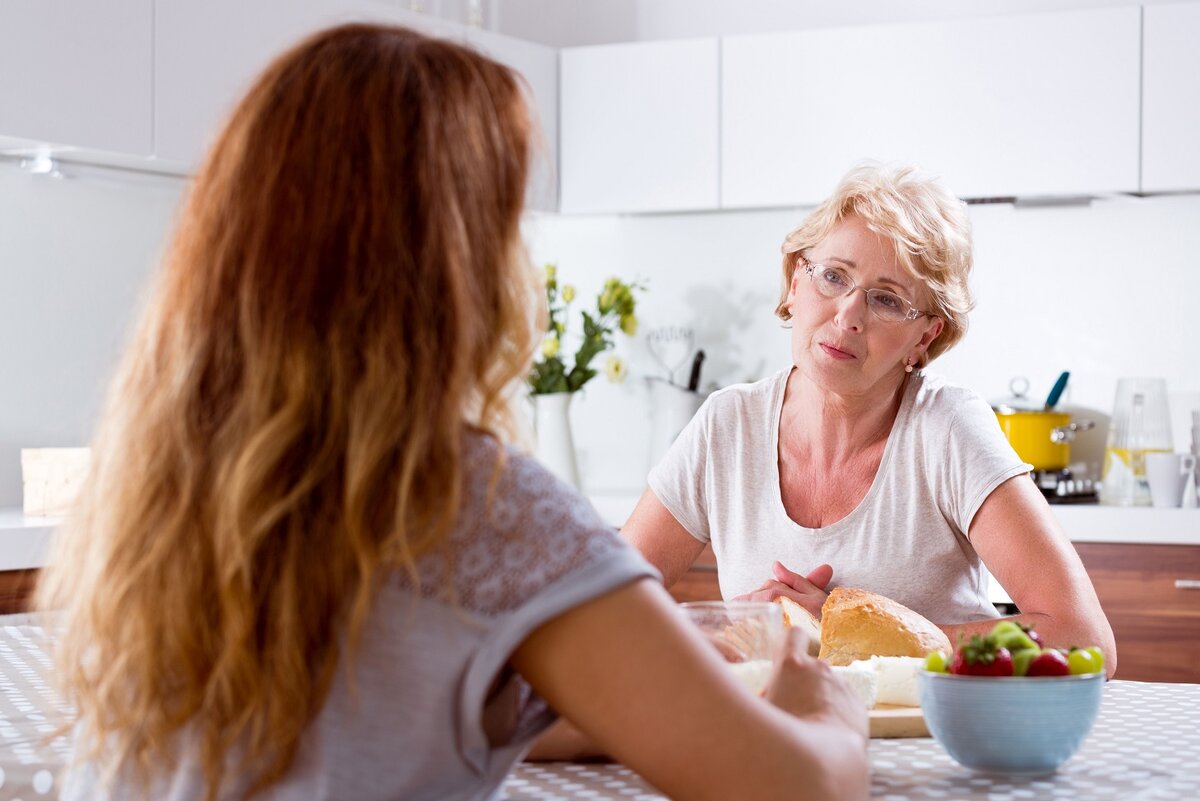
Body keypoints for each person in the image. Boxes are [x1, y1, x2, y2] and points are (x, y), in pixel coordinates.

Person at [36, 23, 869, 801]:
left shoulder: (159, 480)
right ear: (449, 267)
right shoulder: (474, 503)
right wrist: (824, 705)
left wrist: (662, 684)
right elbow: (796, 785)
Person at [623, 163, 1116, 675]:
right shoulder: (728, 424)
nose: (848, 315)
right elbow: (605, 601)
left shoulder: (947, 429)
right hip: (780, 739)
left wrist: (849, 630)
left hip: (934, 742)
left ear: (924, 337)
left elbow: (1085, 638)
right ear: (796, 283)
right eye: (834, 277)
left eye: (886, 299)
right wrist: (735, 630)